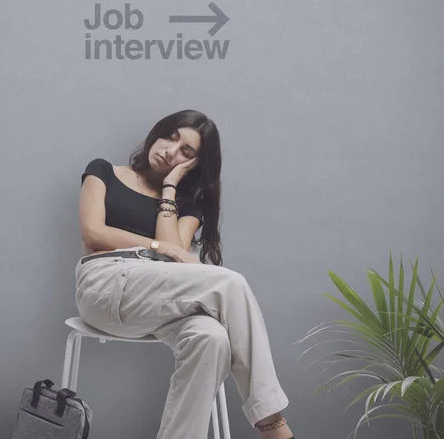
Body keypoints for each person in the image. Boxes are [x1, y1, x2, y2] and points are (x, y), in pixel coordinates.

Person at [75, 109, 295, 439]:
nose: (170, 150)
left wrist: (169, 187)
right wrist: (158, 246)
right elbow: (93, 233)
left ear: (192, 166)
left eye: (186, 152)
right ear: (158, 132)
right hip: (105, 285)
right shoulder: (103, 171)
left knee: (213, 337)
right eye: (171, 137)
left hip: (161, 299)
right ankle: (273, 426)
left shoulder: (187, 202)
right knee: (230, 283)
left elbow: (174, 256)